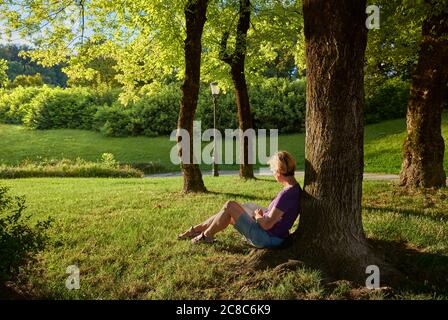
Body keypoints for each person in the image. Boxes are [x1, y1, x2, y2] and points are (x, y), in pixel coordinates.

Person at [177, 151, 301, 248]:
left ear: (279, 171)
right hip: (273, 235)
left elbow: (267, 225)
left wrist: (258, 216)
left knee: (230, 206)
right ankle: (195, 231)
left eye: (273, 170)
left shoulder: (287, 194)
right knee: (230, 210)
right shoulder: (294, 188)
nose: (272, 173)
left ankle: (205, 235)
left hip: (266, 238)